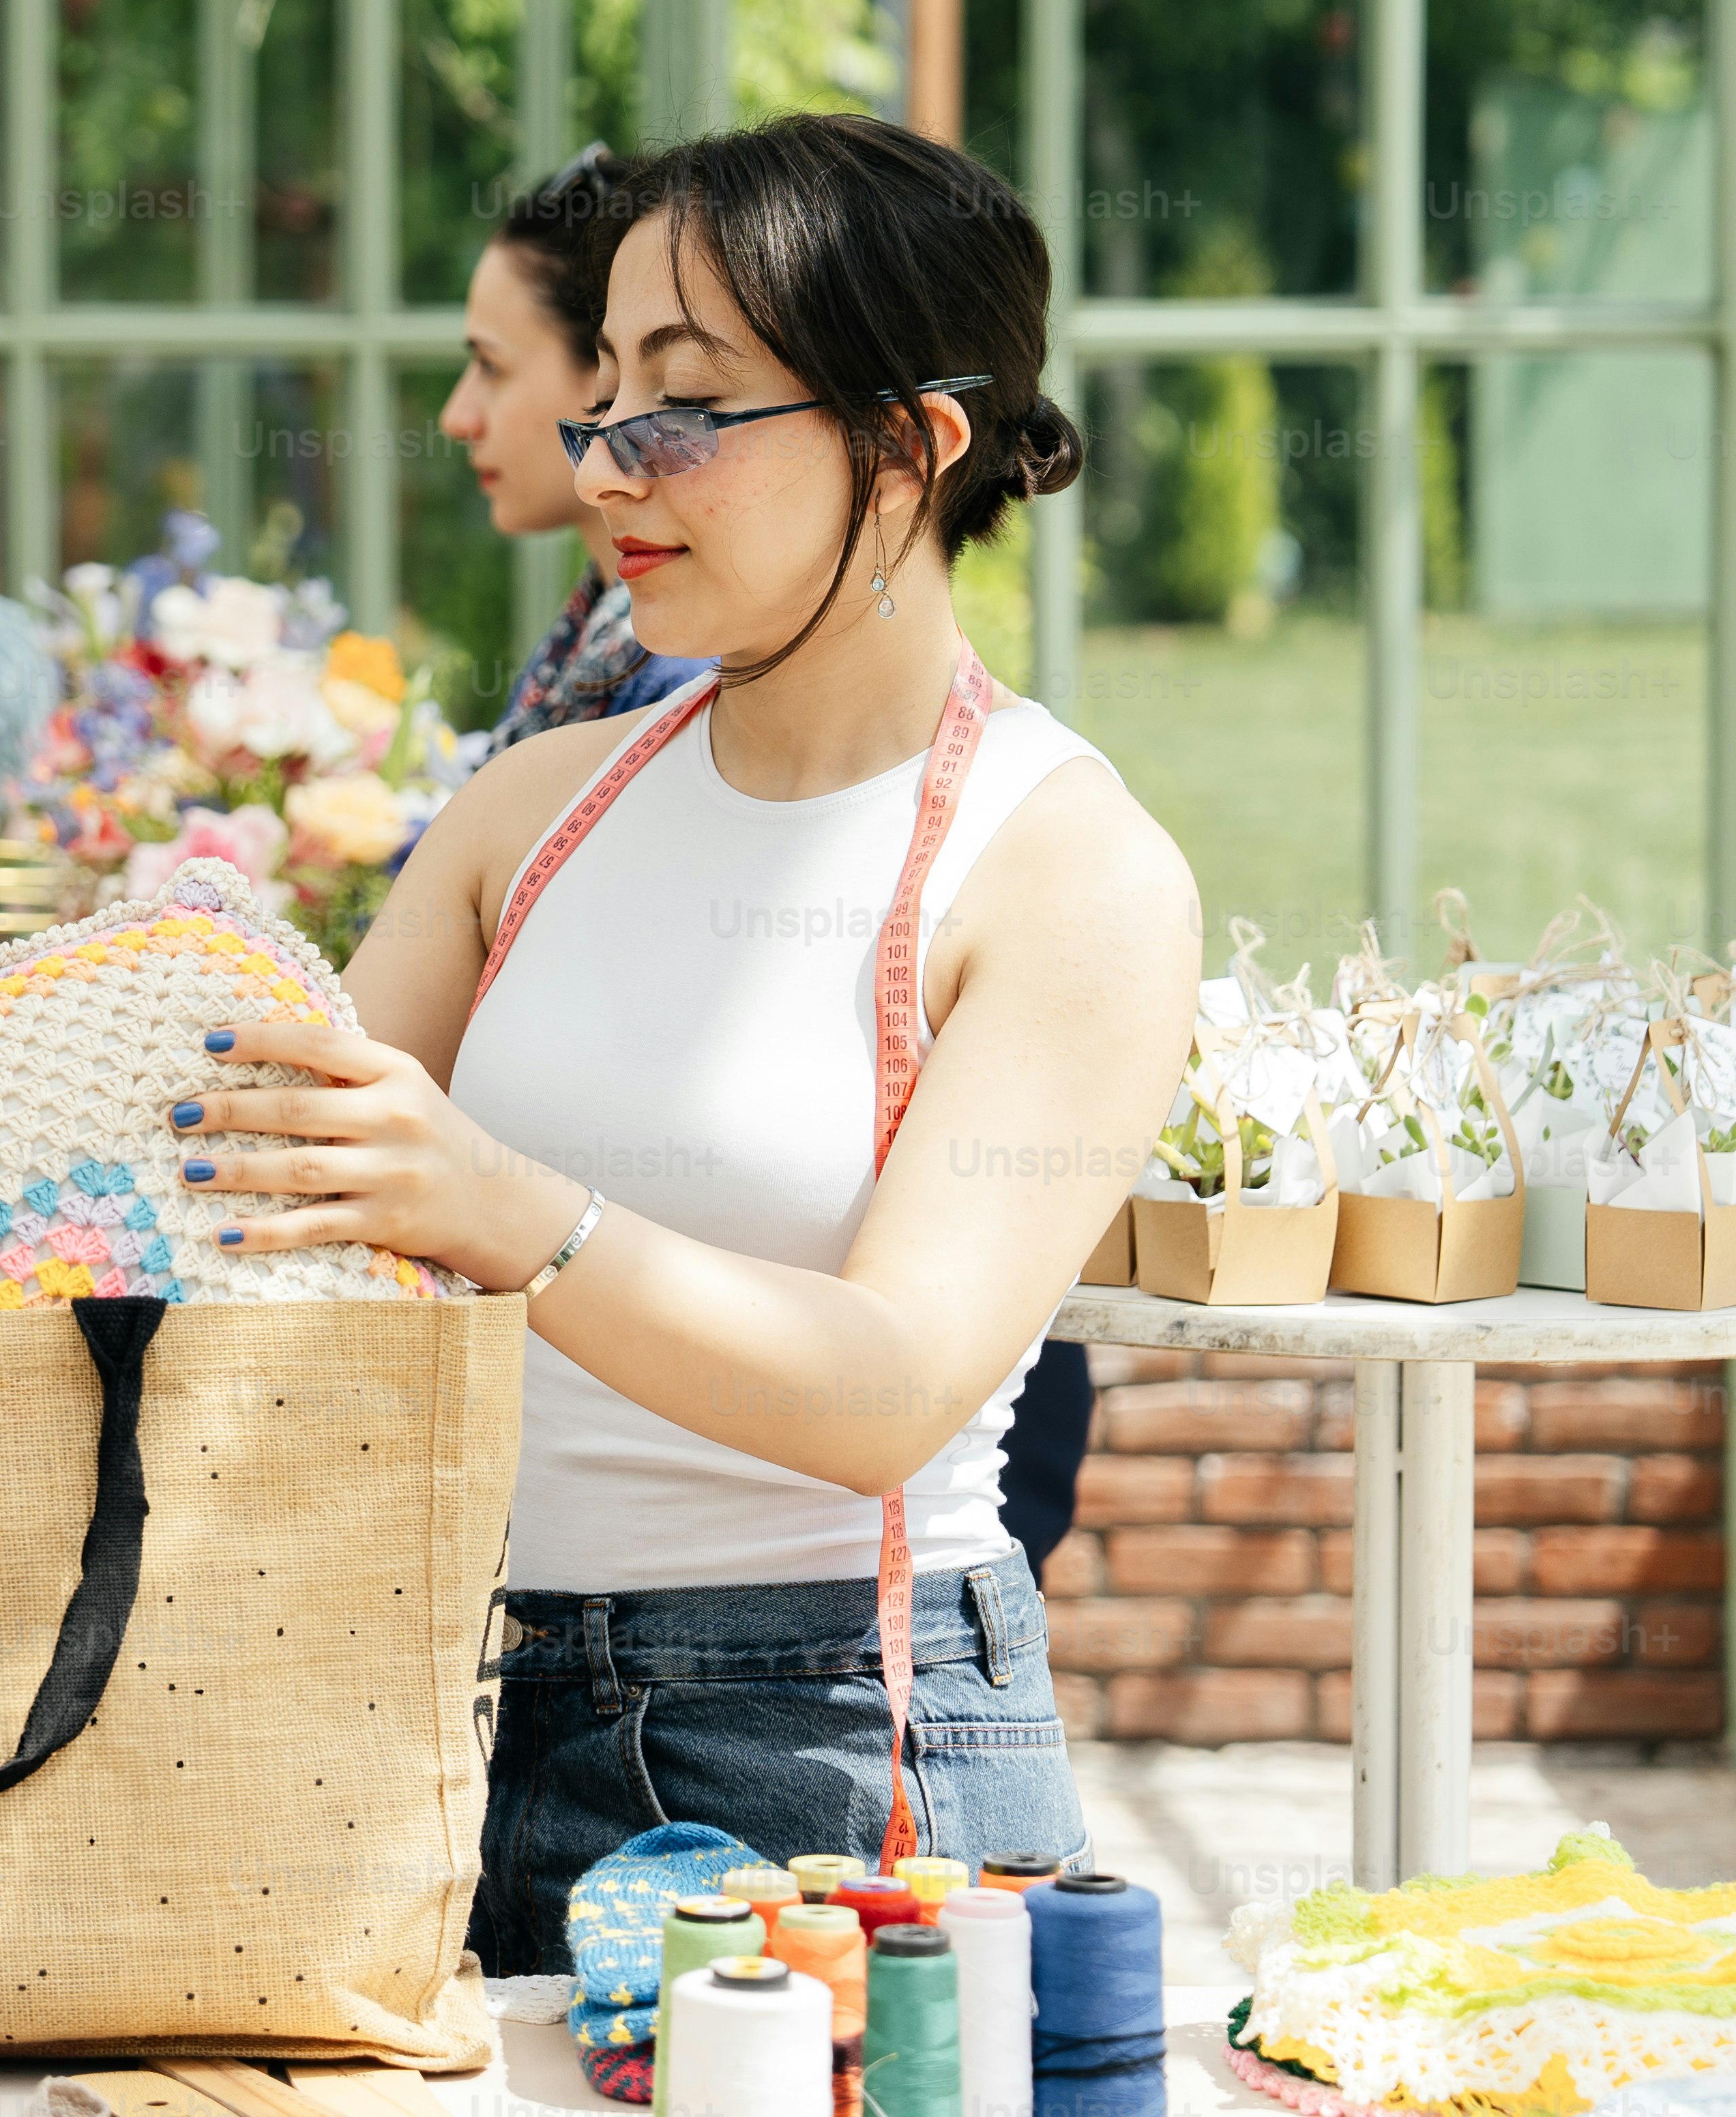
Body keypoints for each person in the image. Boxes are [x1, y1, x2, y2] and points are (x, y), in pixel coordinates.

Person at [176, 113, 1201, 1969]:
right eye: (608, 403)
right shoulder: (528, 817)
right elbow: (247, 1205)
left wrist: (509, 1215)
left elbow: (895, 1387)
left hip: (833, 1758)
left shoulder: (1064, 872)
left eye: (686, 410)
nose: (608, 475)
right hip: (456, 1704)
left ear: (907, 445)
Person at [434, 144, 709, 750]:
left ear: (608, 375)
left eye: (491, 366)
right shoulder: (595, 637)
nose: (457, 418)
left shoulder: (675, 676)